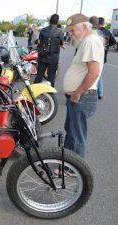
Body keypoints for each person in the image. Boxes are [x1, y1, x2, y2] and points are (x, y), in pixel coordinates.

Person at [63, 13, 104, 158]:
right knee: (72, 131)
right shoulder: (86, 41)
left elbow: (93, 73)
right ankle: (68, 163)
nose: (70, 33)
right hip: (79, 96)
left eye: (72, 30)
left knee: (76, 135)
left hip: (81, 96)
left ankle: (71, 169)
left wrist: (78, 93)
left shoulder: (90, 42)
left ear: (84, 27)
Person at [34, 14, 64, 87]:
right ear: (57, 21)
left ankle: (33, 93)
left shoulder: (43, 30)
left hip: (42, 56)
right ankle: (50, 95)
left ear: (50, 20)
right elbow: (61, 42)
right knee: (51, 77)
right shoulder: (60, 31)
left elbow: (39, 40)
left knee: (39, 76)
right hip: (53, 57)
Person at [97, 17, 117, 99]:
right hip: (103, 56)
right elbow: (114, 43)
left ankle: (99, 92)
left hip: (96, 56)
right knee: (98, 74)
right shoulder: (107, 32)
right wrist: (107, 47)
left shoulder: (96, 32)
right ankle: (100, 92)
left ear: (98, 23)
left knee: (96, 74)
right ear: (103, 23)